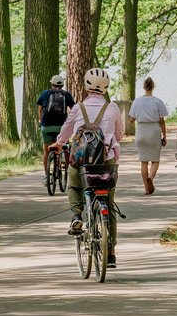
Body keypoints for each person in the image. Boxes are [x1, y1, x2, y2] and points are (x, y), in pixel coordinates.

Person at [49, 68, 124, 267]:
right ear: (106, 87)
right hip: (105, 162)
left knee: (74, 184)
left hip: (82, 162)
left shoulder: (78, 108)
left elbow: (65, 132)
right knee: (108, 201)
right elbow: (120, 134)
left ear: (86, 85)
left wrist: (58, 143)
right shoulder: (113, 107)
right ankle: (111, 252)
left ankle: (76, 216)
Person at [129, 76, 169, 195]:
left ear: (143, 87)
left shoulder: (137, 101)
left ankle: (147, 188)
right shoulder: (157, 101)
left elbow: (131, 120)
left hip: (141, 131)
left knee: (143, 162)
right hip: (154, 131)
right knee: (155, 160)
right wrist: (164, 136)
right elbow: (162, 120)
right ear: (153, 87)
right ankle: (150, 178)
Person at [37, 75, 76, 182]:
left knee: (46, 150)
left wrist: (40, 121)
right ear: (62, 85)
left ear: (52, 84)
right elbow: (73, 109)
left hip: (46, 126)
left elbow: (40, 108)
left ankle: (47, 176)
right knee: (65, 146)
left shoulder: (45, 93)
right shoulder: (66, 95)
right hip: (61, 127)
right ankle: (68, 170)